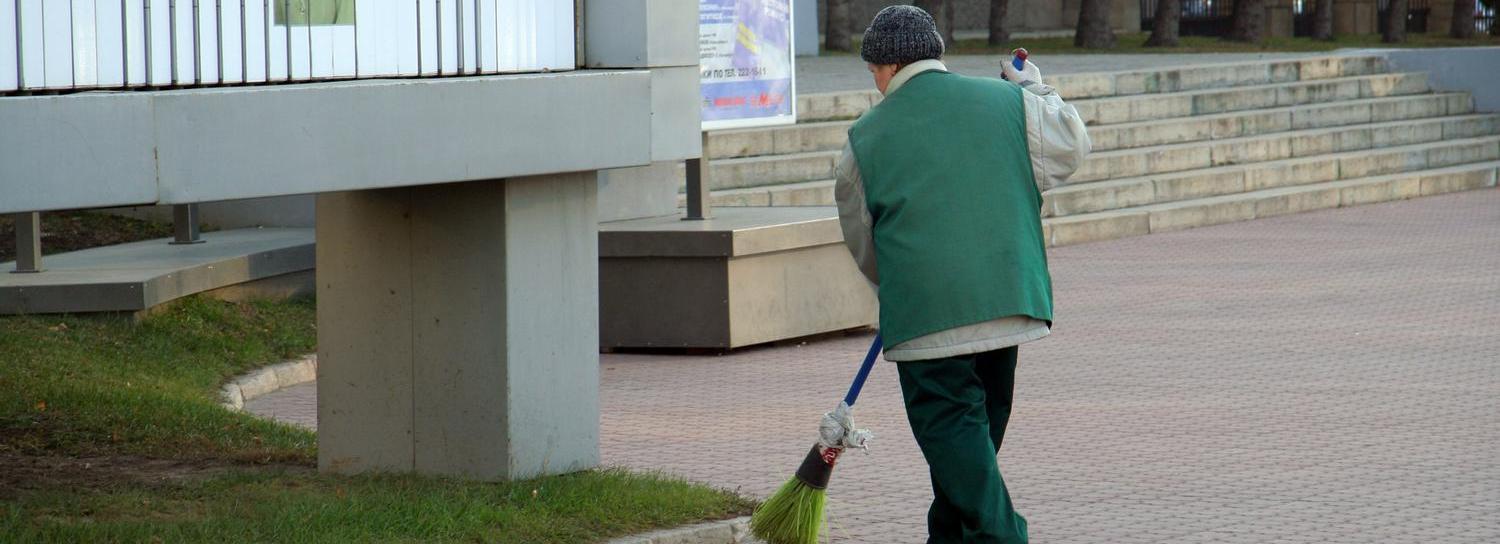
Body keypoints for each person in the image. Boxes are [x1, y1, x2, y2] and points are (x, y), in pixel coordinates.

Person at [833, 6, 1091, 543]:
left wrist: (904, 285)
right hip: (1009, 300)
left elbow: (864, 245)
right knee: (970, 450)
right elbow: (1072, 144)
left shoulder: (863, 140)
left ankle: (1005, 537)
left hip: (926, 320)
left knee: (958, 443)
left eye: (873, 72)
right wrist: (1034, 87)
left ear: (889, 65)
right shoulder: (1010, 103)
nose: (875, 84)